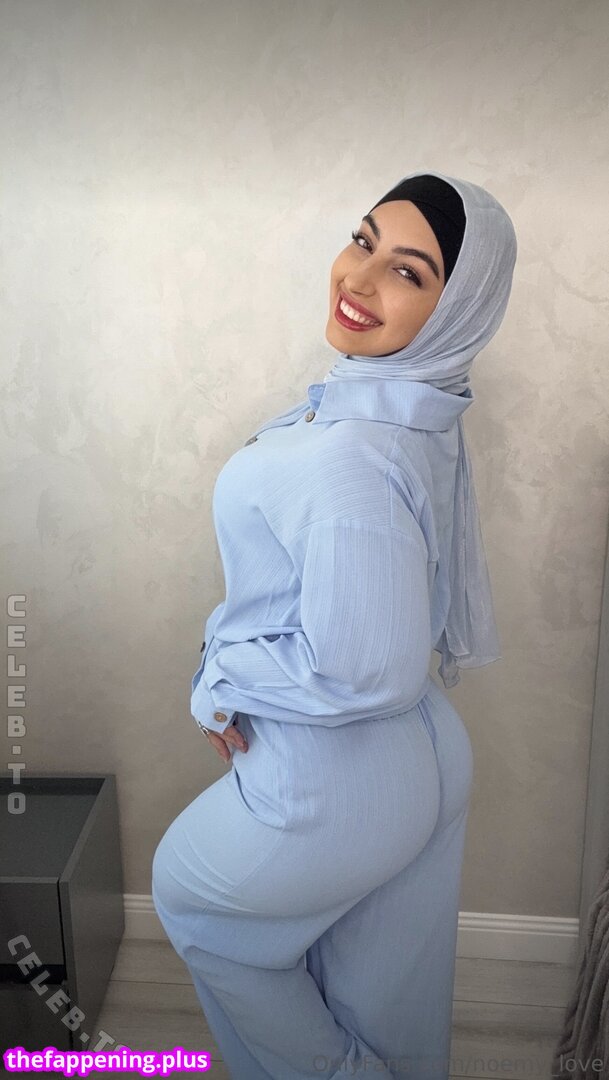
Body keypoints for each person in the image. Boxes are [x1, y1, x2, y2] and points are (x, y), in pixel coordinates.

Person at [151, 170, 518, 1080]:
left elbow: (362, 670)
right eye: (362, 241)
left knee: (200, 911)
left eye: (408, 272)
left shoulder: (352, 452)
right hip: (410, 751)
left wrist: (219, 675)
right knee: (382, 1002)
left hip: (340, 769)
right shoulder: (400, 404)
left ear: (454, 311)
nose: (358, 279)